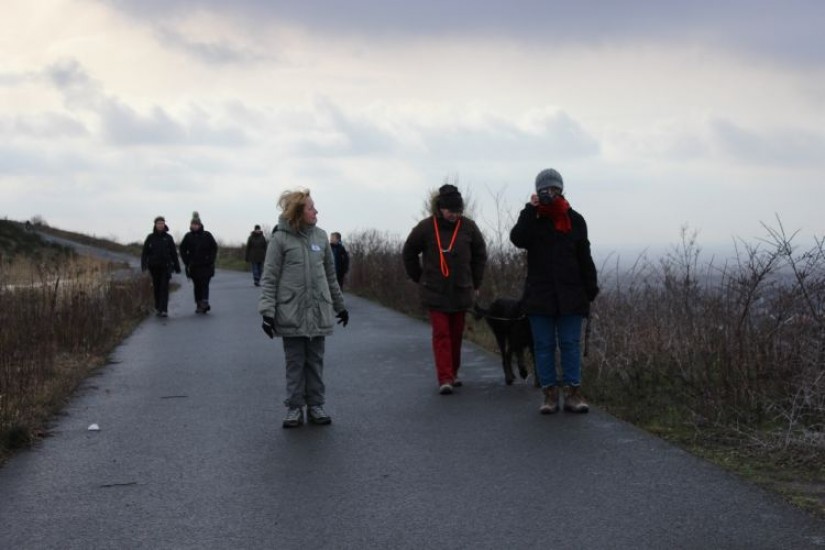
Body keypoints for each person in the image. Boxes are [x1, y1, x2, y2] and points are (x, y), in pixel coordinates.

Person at [509, 168, 599, 414]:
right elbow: (517, 239)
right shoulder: (533, 219)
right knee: (543, 345)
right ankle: (549, 395)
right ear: (537, 192)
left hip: (571, 294)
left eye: (555, 188)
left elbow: (584, 256)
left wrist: (590, 288)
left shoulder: (575, 220)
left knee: (570, 344)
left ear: (562, 189)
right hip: (540, 295)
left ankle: (573, 394)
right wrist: (529, 210)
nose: (551, 193)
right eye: (545, 189)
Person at [258, 189, 349, 428]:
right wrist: (267, 313)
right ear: (298, 212)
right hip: (291, 312)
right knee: (295, 363)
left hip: (318, 312)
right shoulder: (280, 239)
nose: (316, 211)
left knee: (315, 362)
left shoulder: (321, 237)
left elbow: (331, 276)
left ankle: (316, 405)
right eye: (311, 208)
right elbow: (269, 278)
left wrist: (340, 306)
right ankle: (294, 408)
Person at [402, 184, 487, 395]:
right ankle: (445, 378)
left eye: (458, 211)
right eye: (450, 211)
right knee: (441, 335)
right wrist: (419, 277)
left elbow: (480, 255)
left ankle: (453, 372)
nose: (454, 215)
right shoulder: (426, 227)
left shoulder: (469, 227)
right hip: (435, 292)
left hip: (461, 290)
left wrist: (476, 283)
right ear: (440, 208)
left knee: (456, 336)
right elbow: (409, 252)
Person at [140, 215, 181, 317]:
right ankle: (158, 307)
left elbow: (173, 253)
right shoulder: (150, 238)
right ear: (155, 225)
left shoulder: (168, 238)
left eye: (162, 223)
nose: (160, 225)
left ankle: (164, 309)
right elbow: (145, 253)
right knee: (157, 287)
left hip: (166, 267)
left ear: (164, 224)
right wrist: (144, 265)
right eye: (159, 223)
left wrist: (177, 266)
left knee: (164, 287)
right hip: (154, 267)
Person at [179, 211, 218, 314]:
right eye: (193, 224)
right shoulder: (188, 236)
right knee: (197, 285)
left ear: (200, 225)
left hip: (206, 265)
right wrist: (187, 261)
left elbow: (214, 247)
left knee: (205, 284)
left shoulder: (207, 235)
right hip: (194, 266)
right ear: (191, 225)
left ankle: (205, 302)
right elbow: (182, 249)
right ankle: (199, 303)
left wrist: (211, 259)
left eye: (197, 224)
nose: (195, 226)